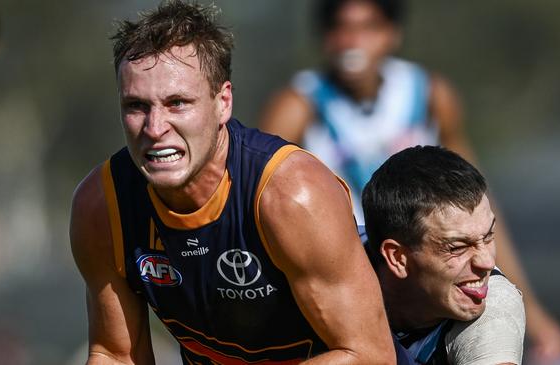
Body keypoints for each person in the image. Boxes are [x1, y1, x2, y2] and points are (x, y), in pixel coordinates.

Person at [69, 1, 402, 364]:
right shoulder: (101, 205)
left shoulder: (291, 196)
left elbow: (369, 356)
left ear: (223, 102)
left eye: (177, 103)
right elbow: (116, 356)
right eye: (136, 106)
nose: (154, 128)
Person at [259, 0, 560, 361]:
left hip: (430, 267)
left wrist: (532, 309)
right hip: (350, 270)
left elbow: (476, 211)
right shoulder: (299, 105)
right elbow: (263, 202)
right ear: (324, 38)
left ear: (393, 34)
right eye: (340, 28)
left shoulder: (428, 94)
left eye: (367, 27)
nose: (352, 41)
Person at [362, 145, 525, 364]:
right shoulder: (322, 261)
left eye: (488, 237)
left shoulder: (493, 313)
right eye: (457, 247)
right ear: (398, 258)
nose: (486, 262)